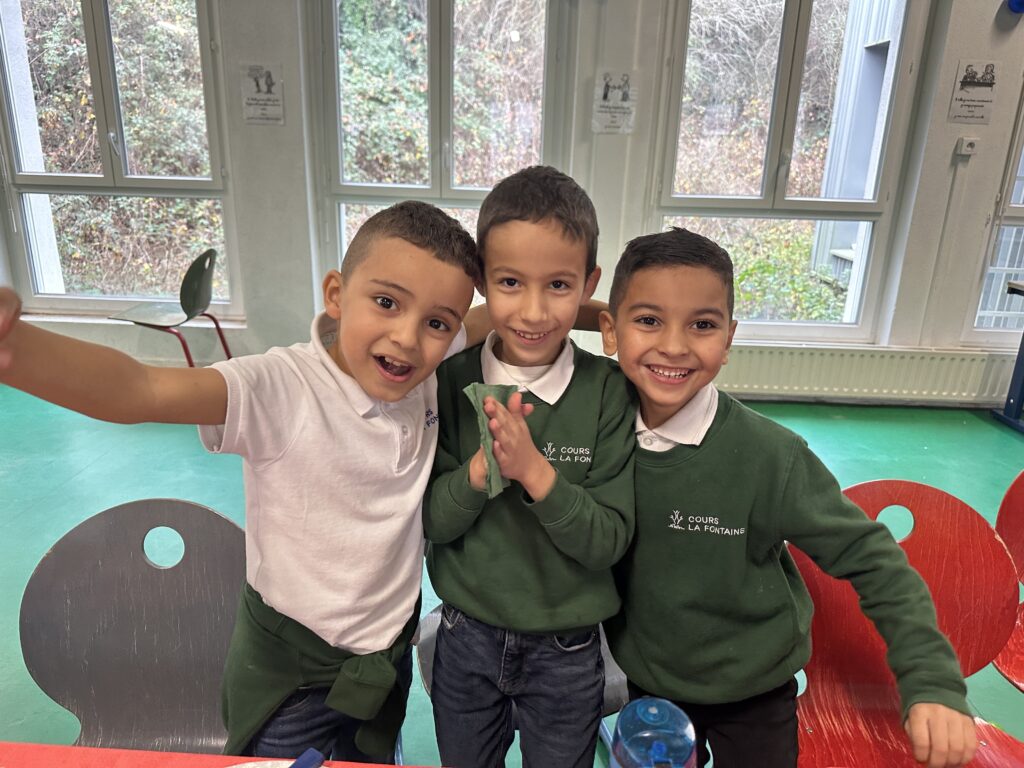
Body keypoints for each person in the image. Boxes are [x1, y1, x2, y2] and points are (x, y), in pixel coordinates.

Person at [0, 201, 481, 764]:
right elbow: (140, 390)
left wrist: (565, 302)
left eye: (436, 323)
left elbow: (495, 317)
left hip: (381, 666)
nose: (407, 337)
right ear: (335, 294)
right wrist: (15, 351)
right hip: (291, 679)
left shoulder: (422, 376)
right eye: (386, 302)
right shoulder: (279, 387)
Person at [596, 227, 976, 768]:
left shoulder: (772, 456)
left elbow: (875, 561)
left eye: (702, 325)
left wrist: (932, 679)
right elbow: (514, 330)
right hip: (652, 686)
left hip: (756, 692)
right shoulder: (596, 425)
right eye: (649, 320)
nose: (674, 346)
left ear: (729, 338)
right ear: (610, 331)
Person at [423, 165, 636, 768]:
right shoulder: (446, 380)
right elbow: (432, 523)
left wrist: (535, 472)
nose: (534, 311)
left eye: (560, 285)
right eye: (511, 282)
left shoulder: (608, 392)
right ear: (481, 282)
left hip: (568, 651)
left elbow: (607, 542)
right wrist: (478, 473)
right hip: (465, 637)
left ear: (589, 283)